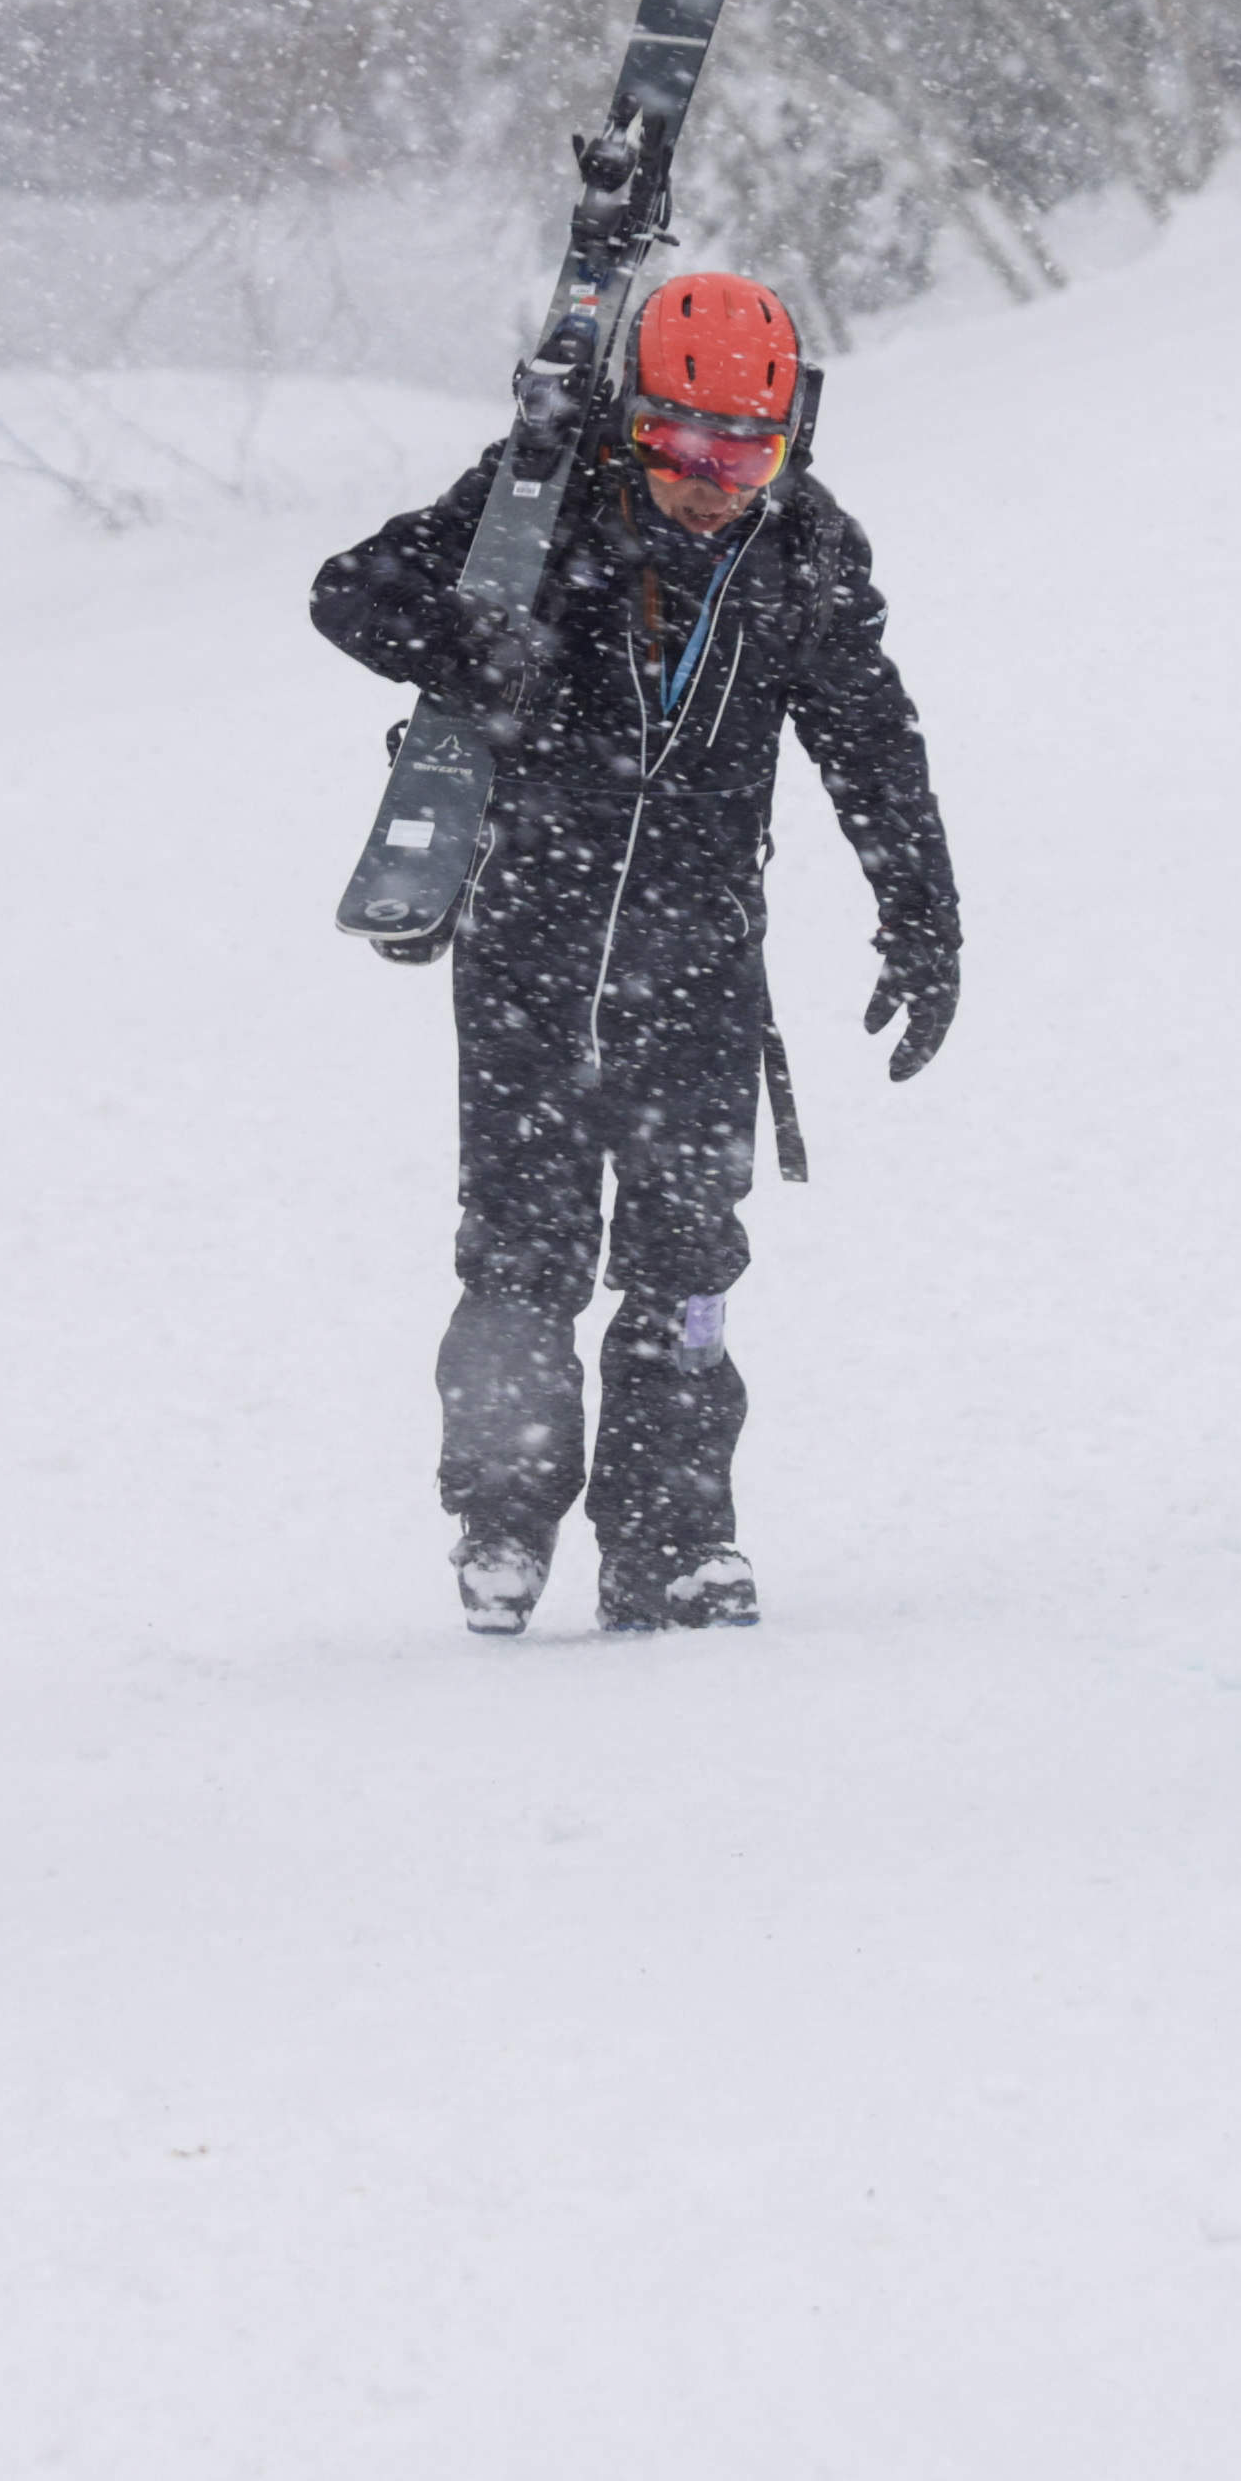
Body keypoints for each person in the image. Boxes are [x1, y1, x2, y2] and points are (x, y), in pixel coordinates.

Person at [304, 269, 958, 1640]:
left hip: (704, 962)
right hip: (528, 940)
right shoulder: (537, 503)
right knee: (523, 1251)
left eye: (745, 453)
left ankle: (674, 1545)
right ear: (633, 424)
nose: (712, 482)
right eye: (682, 448)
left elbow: (873, 745)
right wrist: (466, 646)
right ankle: (499, 1519)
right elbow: (349, 594)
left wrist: (922, 915)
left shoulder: (805, 558)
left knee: (688, 1260)